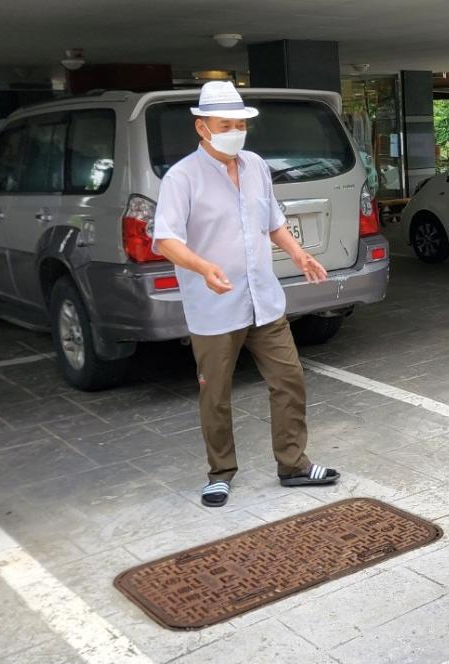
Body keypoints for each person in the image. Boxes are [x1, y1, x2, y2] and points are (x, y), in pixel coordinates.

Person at [153, 81, 340, 508]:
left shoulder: (255, 164)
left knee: (289, 380)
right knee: (216, 393)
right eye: (226, 124)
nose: (236, 131)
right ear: (203, 128)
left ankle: (292, 464)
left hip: (263, 299)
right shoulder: (182, 177)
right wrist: (202, 268)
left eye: (241, 124)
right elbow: (166, 239)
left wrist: (300, 256)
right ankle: (220, 473)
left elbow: (271, 222)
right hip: (215, 305)